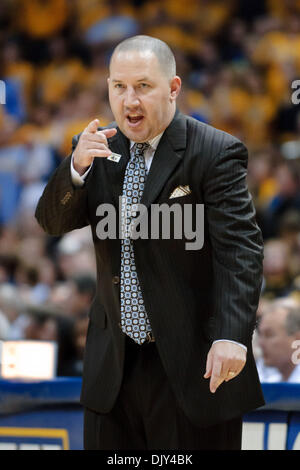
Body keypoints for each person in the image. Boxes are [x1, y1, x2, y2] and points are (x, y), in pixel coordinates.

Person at [35, 35, 264, 450]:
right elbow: (51, 222)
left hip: (193, 364)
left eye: (143, 86)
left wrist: (233, 335)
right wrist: (74, 167)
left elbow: (240, 252)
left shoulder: (215, 152)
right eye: (119, 87)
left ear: (173, 88)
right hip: (114, 365)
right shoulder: (96, 151)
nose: (129, 101)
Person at [257, 298, 300, 382]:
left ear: (297, 339)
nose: (260, 343)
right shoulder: (266, 379)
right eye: (260, 335)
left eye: (269, 335)